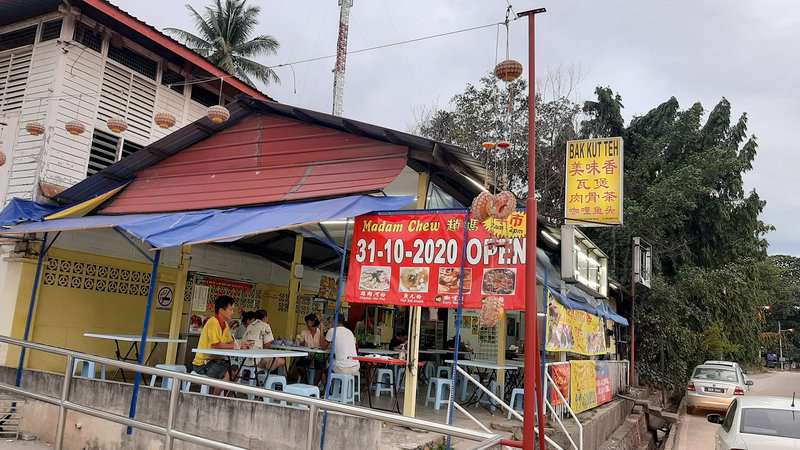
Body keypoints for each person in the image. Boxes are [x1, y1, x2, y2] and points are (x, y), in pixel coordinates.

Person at [192, 295, 251, 394]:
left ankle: (223, 397)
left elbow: (229, 342)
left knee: (236, 373)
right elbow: (215, 345)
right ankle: (215, 400)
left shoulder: (225, 325)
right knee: (226, 375)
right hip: (203, 363)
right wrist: (236, 346)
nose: (232, 312)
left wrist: (242, 344)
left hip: (218, 361)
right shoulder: (213, 322)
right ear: (221, 310)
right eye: (230, 309)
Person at [293, 314, 326, 384]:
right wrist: (300, 341)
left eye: (309, 322)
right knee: (299, 365)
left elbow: (322, 344)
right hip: (307, 354)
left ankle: (315, 384)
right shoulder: (304, 332)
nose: (307, 324)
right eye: (307, 322)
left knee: (320, 365)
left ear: (313, 322)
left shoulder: (320, 332)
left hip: (318, 354)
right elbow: (301, 345)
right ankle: (305, 377)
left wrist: (322, 330)